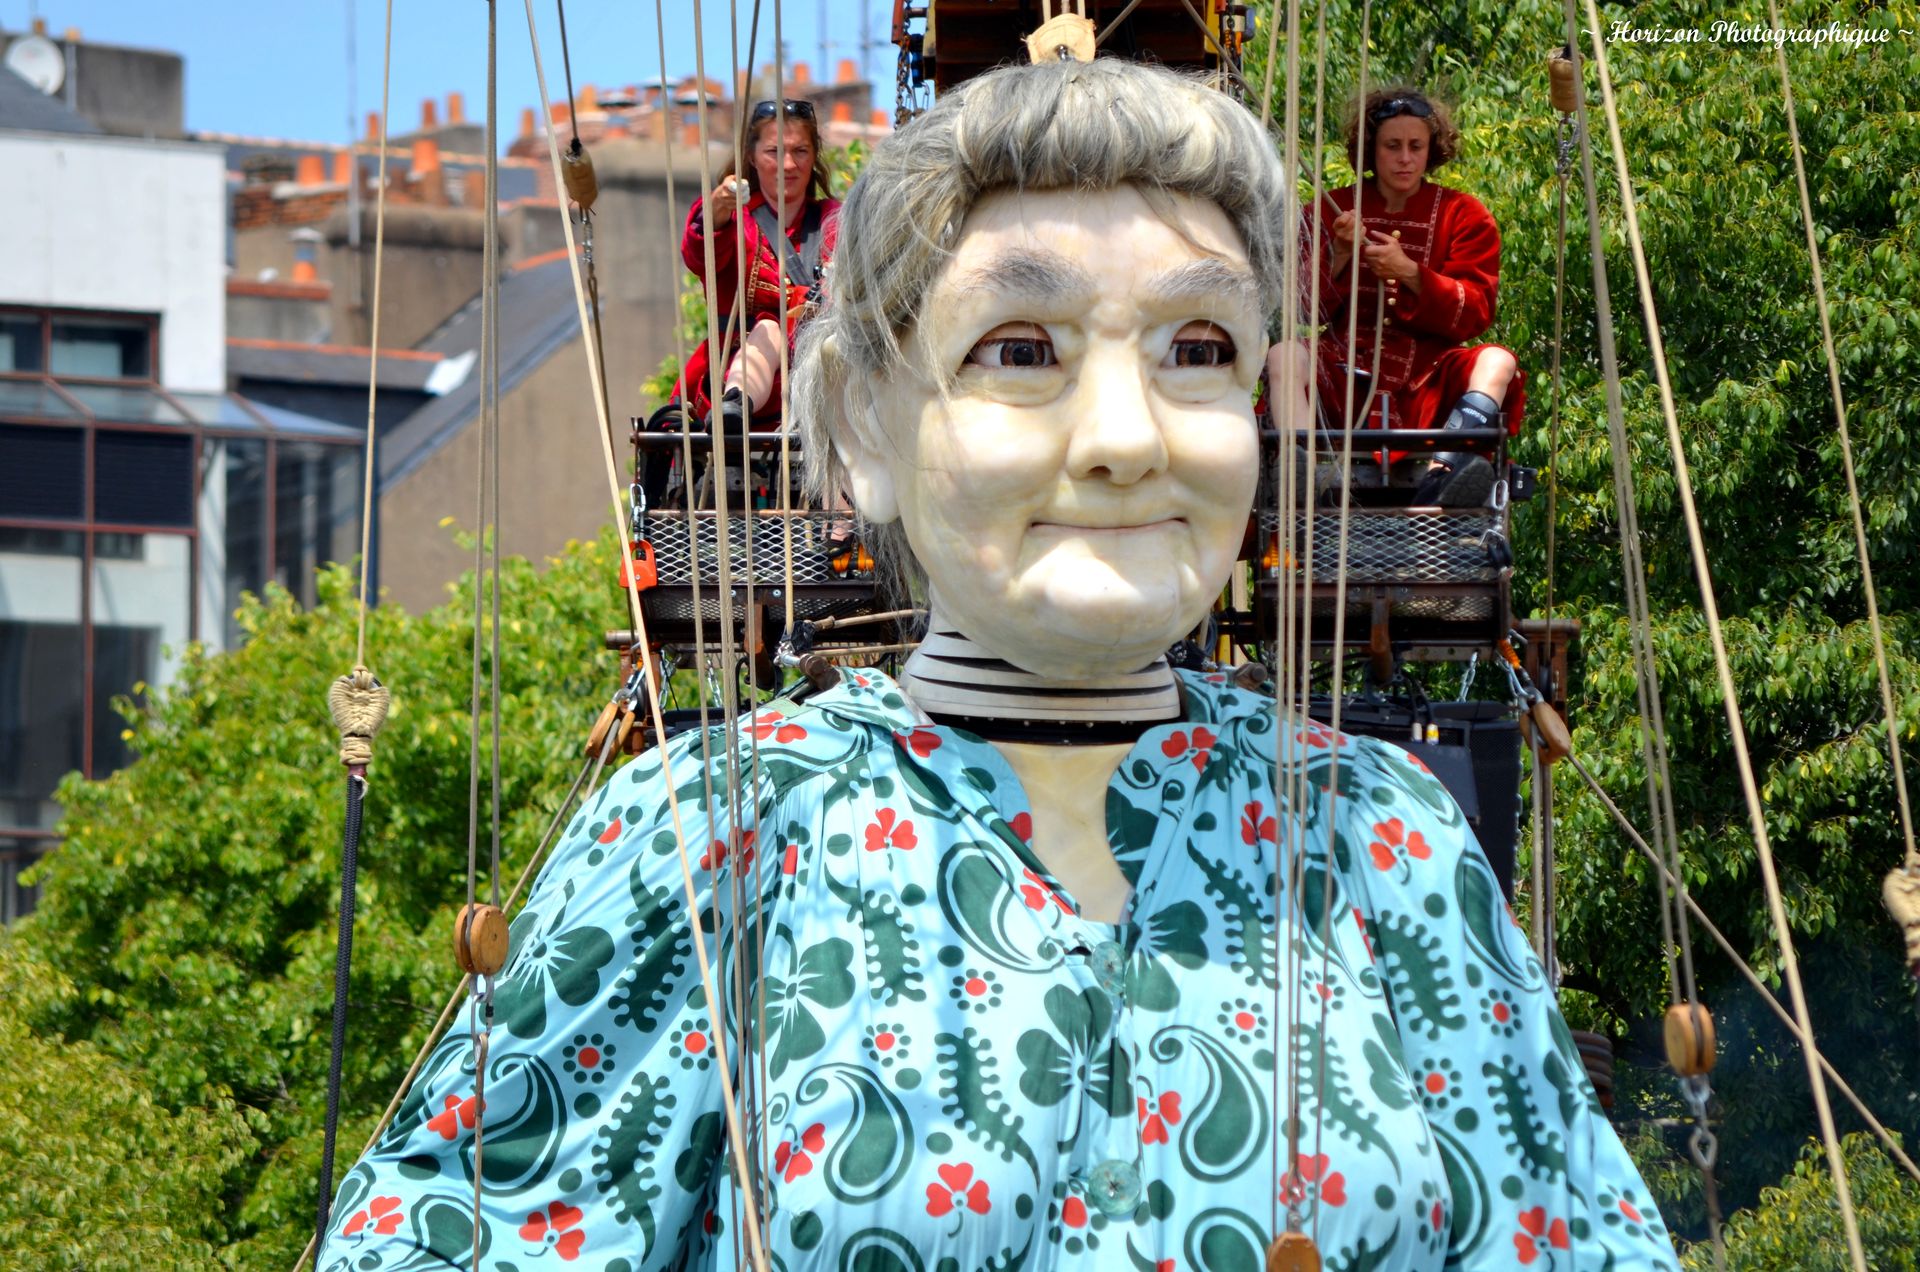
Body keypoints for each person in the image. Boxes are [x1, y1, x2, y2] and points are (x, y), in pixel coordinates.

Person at [318, 57, 1676, 1271]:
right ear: (860, 424)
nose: (1124, 439)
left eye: (1197, 352)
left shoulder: (1388, 844)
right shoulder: (708, 835)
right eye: (1019, 351)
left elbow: (1569, 1228)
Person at [1309, 88, 1526, 507]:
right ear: (1371, 150)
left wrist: (1409, 273)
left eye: (1416, 146)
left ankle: (1449, 470)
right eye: (1393, 146)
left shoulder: (1465, 214)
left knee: (1498, 361)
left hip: (1427, 385)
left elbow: (1476, 309)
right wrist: (1337, 255)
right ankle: (1300, 466)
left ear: (1432, 150)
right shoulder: (1330, 207)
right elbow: (1296, 305)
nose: (1405, 158)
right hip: (1342, 380)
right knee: (1285, 355)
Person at [674, 97, 841, 435]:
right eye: (774, 152)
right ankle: (735, 404)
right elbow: (697, 254)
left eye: (801, 152)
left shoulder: (836, 220)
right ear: (751, 156)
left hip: (827, 378)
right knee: (768, 329)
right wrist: (717, 209)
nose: (789, 165)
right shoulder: (738, 221)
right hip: (743, 376)